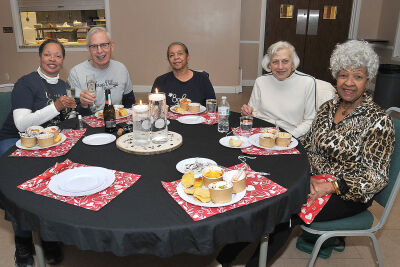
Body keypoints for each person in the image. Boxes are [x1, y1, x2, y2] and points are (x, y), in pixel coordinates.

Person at [215, 40, 395, 267]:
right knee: (265, 194)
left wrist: (331, 186)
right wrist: (293, 170)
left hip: (348, 192)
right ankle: (223, 260)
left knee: (284, 211)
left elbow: (376, 176)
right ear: (335, 77)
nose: (349, 83)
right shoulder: (328, 108)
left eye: (357, 77)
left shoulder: (378, 120)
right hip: (313, 177)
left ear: (368, 80)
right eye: (343, 75)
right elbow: (308, 145)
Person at [0, 39, 70, 266]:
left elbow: (63, 121)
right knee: (23, 186)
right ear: (39, 57)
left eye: (58, 56)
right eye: (48, 54)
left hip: (48, 142)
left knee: (59, 176)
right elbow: (22, 124)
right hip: (17, 141)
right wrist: (56, 107)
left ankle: (48, 235)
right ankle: (22, 242)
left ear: (62, 60)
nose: (53, 59)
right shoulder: (26, 83)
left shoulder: (63, 85)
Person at [241, 41, 316, 138]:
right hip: (261, 133)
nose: (280, 67)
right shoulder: (261, 81)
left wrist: (289, 137)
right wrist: (247, 112)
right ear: (269, 64)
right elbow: (252, 113)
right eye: (275, 62)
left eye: (285, 61)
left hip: (291, 135)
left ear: (293, 63)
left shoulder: (307, 82)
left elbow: (310, 120)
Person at [68, 27, 135, 113]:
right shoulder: (74, 73)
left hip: (116, 122)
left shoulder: (121, 69)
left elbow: (129, 103)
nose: (99, 51)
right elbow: (71, 109)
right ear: (88, 49)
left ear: (112, 46)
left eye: (104, 45)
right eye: (94, 46)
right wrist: (83, 104)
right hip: (87, 123)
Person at [151, 41, 216, 107]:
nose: (176, 57)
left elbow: (212, 108)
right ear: (169, 60)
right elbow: (154, 109)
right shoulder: (160, 81)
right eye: (171, 55)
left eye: (180, 53)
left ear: (187, 57)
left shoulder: (202, 78)